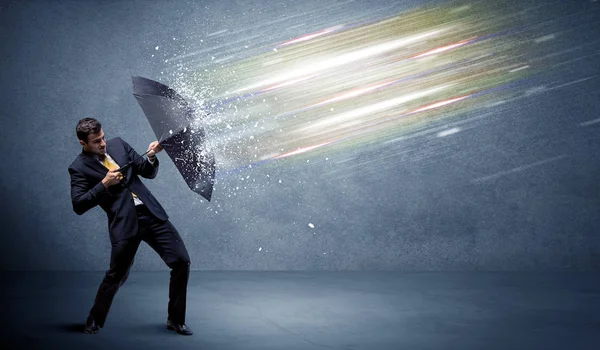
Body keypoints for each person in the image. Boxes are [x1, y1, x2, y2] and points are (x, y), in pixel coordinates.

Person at [68, 117, 193, 336]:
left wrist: (152, 156)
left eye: (103, 137)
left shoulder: (118, 144)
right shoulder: (78, 168)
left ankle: (175, 319)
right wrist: (104, 183)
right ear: (83, 143)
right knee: (117, 275)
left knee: (182, 261)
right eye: (96, 141)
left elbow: (147, 171)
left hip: (151, 214)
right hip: (125, 224)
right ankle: (95, 318)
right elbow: (79, 205)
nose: (103, 143)